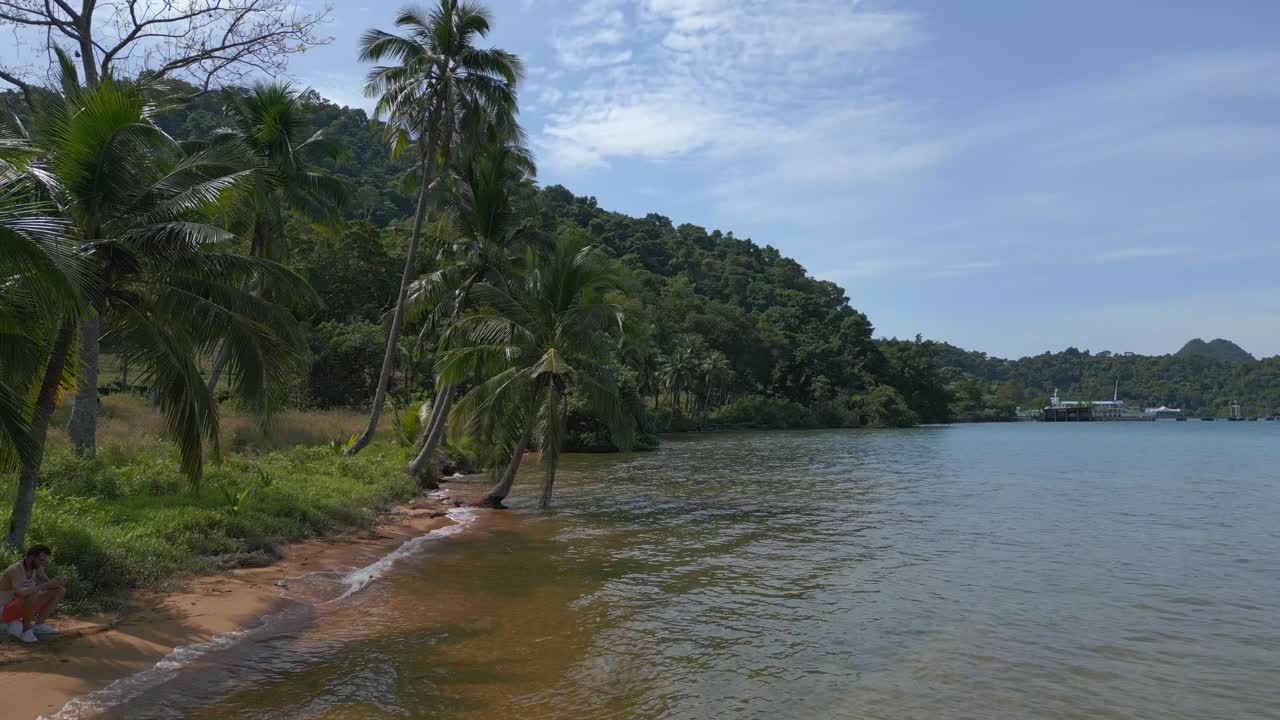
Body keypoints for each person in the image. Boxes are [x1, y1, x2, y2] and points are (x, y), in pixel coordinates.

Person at [1, 544, 65, 644]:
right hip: (4, 609)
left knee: (60, 590)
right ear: (31, 557)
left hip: (19, 605)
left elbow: (48, 584)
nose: (42, 563)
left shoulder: (37, 567)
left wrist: (58, 582)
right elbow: (20, 593)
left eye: (44, 560)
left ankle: (39, 625)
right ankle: (26, 630)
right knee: (31, 594)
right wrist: (46, 585)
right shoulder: (15, 569)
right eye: (41, 560)